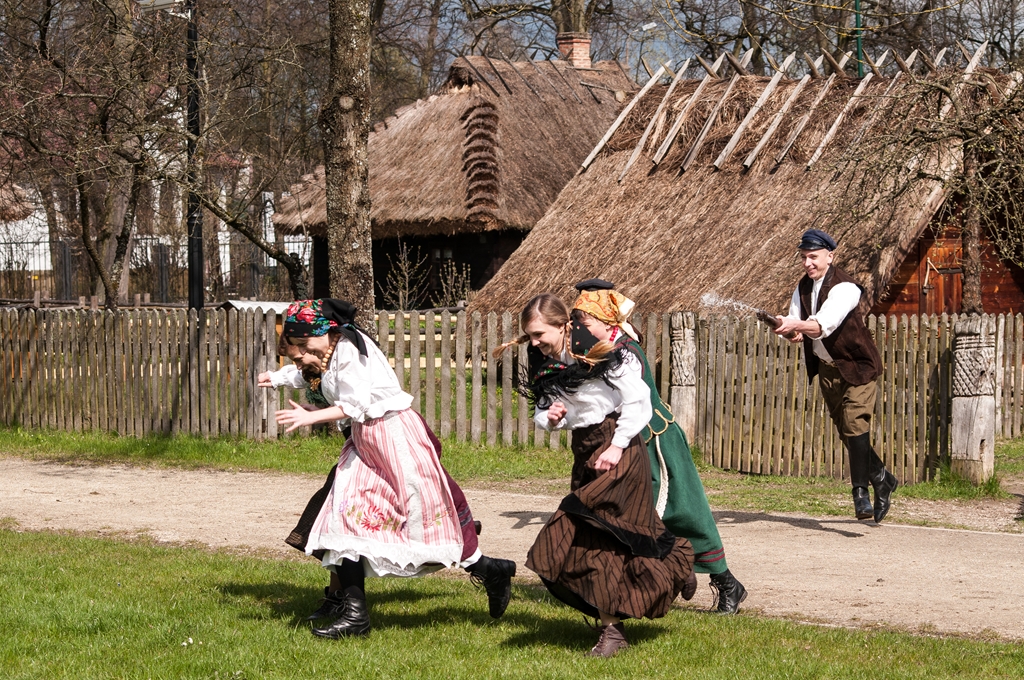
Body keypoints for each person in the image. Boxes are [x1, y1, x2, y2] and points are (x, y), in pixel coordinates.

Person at [272, 299, 516, 639]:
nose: (301, 351)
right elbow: (319, 382)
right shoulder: (332, 350)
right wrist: (276, 378)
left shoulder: (350, 349)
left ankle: (490, 569)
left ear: (321, 331)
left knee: (423, 520)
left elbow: (355, 404)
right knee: (345, 515)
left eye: (303, 343)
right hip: (365, 441)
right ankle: (355, 615)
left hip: (395, 437)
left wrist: (311, 417)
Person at [499, 293, 695, 657]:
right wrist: (550, 417)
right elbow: (542, 410)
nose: (534, 343)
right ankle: (677, 559)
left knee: (588, 537)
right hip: (586, 450)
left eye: (539, 334)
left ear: (563, 326)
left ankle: (613, 633)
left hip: (619, 447)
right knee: (627, 534)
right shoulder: (543, 360)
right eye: (530, 336)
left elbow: (638, 398)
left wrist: (617, 446)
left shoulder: (596, 350)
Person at [571, 279, 747, 614]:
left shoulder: (625, 351)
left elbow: (628, 401)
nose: (580, 328)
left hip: (655, 442)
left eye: (586, 321)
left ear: (607, 321)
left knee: (683, 513)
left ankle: (726, 584)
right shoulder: (599, 347)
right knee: (623, 516)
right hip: (627, 443)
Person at [772, 229, 898, 523]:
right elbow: (799, 328)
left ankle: (860, 494)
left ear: (830, 256)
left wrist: (797, 326)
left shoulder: (846, 288)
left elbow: (820, 326)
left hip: (858, 366)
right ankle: (883, 478)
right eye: (804, 257)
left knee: (855, 425)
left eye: (813, 257)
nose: (807, 263)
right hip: (828, 370)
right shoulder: (803, 288)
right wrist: (788, 330)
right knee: (848, 433)